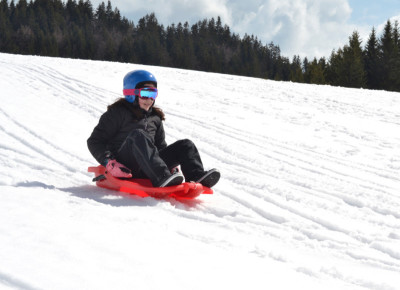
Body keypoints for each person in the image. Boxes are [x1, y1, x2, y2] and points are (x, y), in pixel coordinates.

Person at [87, 69, 220, 188]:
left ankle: (196, 177)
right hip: (126, 167)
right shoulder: (117, 113)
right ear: (131, 93)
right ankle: (162, 177)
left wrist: (171, 165)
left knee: (186, 145)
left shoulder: (155, 118)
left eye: (153, 94)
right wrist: (110, 163)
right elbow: (94, 141)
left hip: (149, 167)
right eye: (145, 93)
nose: (149, 99)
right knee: (138, 135)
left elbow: (160, 146)